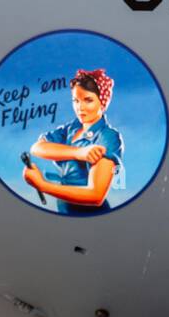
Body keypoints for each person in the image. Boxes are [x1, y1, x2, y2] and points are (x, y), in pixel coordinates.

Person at [23, 69, 124, 214]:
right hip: (64, 206)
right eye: (76, 100)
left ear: (102, 102)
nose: (80, 107)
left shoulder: (108, 136)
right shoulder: (72, 128)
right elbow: (37, 147)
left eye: (88, 100)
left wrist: (43, 185)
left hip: (90, 213)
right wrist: (79, 153)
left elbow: (96, 195)